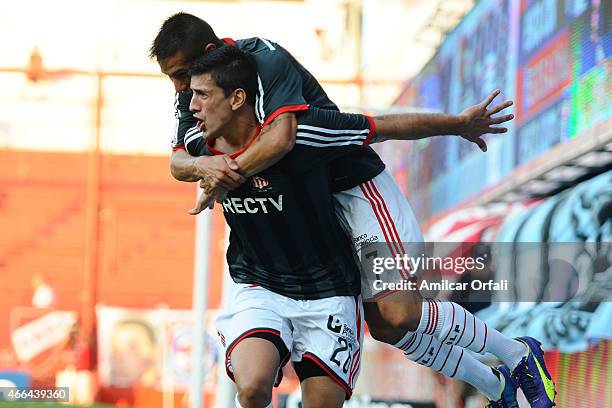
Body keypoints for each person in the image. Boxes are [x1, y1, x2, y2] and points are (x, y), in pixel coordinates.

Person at [150, 13, 556, 408]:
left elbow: (316, 134)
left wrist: (457, 124)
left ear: (214, 67)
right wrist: (205, 167)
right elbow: (178, 161)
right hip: (315, 213)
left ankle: (518, 352)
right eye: (175, 80)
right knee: (384, 327)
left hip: (358, 191)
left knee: (398, 312)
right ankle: (493, 384)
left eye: (183, 77)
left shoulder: (280, 89)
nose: (181, 92)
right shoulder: (197, 102)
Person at [188, 47, 366, 408]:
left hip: (328, 292)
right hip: (260, 287)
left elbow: (382, 127)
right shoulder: (202, 149)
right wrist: (204, 175)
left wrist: (458, 124)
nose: (191, 105)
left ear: (238, 98)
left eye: (202, 95)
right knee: (252, 389)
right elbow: (176, 162)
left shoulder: (304, 136)